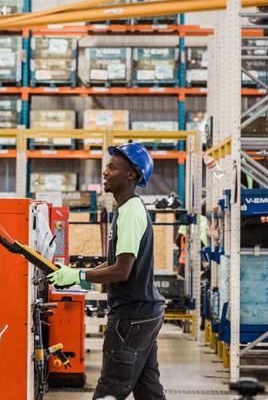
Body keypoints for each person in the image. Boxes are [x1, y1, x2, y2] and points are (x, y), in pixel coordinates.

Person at [48, 143, 166, 400]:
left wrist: (78, 277)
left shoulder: (131, 213)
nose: (105, 172)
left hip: (132, 316)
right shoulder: (124, 210)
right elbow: (115, 261)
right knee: (148, 389)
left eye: (112, 167)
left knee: (111, 389)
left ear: (131, 175)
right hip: (144, 312)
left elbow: (122, 271)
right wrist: (76, 273)